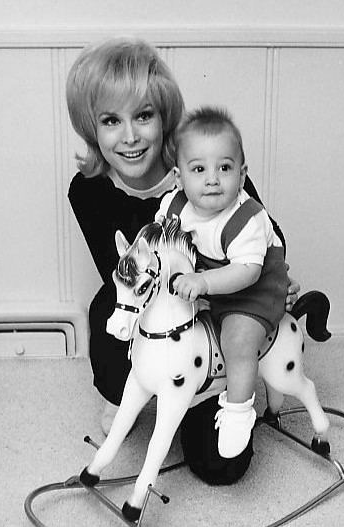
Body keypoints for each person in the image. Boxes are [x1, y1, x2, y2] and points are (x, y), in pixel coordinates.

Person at [66, 37, 300, 485]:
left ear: (164, 117)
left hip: (221, 307)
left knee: (220, 467)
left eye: (144, 116)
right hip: (153, 303)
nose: (130, 136)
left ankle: (225, 399)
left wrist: (273, 280)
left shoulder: (203, 164)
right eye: (111, 120)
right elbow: (124, 276)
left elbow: (266, 233)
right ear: (90, 126)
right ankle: (131, 392)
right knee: (110, 311)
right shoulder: (89, 191)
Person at [156, 106, 289, 459]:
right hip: (206, 286)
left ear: (242, 175)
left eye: (224, 168)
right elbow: (162, 241)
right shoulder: (175, 205)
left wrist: (201, 281)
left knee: (237, 340)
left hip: (254, 292)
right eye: (198, 169)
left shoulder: (246, 218)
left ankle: (238, 409)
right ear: (178, 176)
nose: (212, 179)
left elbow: (247, 272)